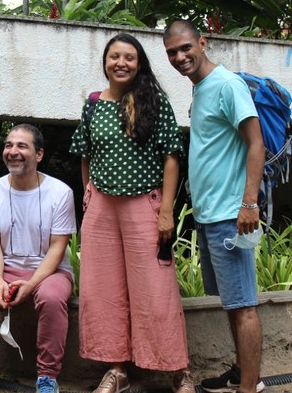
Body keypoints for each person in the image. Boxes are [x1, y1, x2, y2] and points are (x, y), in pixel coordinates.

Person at [69, 33, 194, 393]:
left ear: (139, 64)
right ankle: (117, 369)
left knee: (157, 289)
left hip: (145, 206)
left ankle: (179, 370)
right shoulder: (93, 105)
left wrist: (167, 210)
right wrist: (88, 193)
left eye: (129, 58)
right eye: (114, 57)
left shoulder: (153, 101)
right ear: (105, 62)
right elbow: (85, 154)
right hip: (102, 210)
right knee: (103, 290)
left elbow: (172, 156)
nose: (121, 63)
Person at [164, 20, 265, 393]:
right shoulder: (202, 89)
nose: (180, 57)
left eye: (186, 48)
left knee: (244, 306)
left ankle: (248, 389)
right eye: (172, 52)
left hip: (231, 215)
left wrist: (249, 204)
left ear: (202, 43)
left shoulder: (226, 84)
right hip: (211, 216)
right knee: (232, 303)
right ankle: (242, 374)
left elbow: (256, 143)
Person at [0, 124, 76, 393]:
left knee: (52, 298)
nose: (13, 151)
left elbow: (58, 249)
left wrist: (31, 285)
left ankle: (47, 378)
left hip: (50, 271)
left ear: (39, 154)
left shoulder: (60, 193)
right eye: (9, 145)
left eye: (22, 146)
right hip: (5, 267)